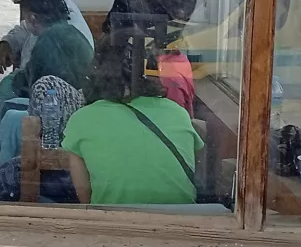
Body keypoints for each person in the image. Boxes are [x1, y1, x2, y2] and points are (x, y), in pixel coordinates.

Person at [0, 0, 93, 195]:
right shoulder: (68, 31)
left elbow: (35, 89)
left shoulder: (49, 42)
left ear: (33, 19)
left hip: (60, 114)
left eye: (26, 17)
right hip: (73, 106)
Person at [60, 44, 203, 205]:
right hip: (182, 221)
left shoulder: (82, 120)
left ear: (94, 76)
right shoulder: (178, 113)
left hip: (114, 224)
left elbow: (86, 199)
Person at [0, 0, 96, 72]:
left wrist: (12, 82)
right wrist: (8, 42)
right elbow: (26, 28)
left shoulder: (59, 33)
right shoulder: (50, 12)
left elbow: (31, 78)